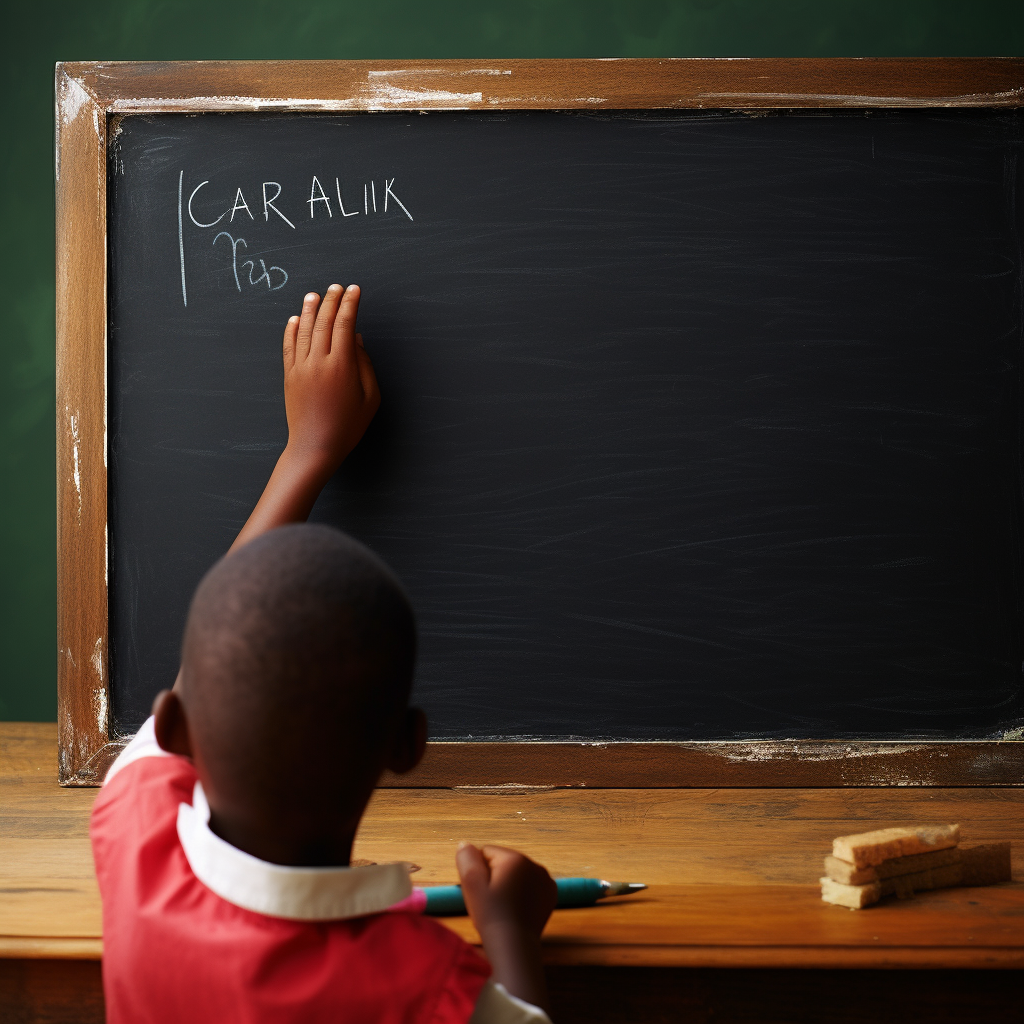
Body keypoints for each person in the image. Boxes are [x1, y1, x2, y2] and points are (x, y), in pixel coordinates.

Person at [90, 284, 558, 1023]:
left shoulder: (134, 846)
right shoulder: (431, 987)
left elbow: (210, 659)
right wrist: (510, 934)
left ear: (176, 725)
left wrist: (307, 449)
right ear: (407, 746)